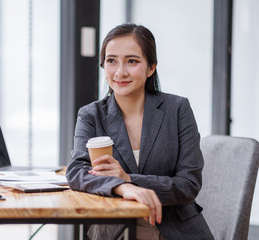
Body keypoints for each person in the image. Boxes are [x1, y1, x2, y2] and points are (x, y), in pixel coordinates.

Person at [66, 23, 214, 240]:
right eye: (111, 61)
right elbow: (77, 172)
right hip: (116, 229)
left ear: (151, 67)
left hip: (175, 229)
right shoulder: (91, 115)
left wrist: (129, 179)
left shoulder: (177, 109)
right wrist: (123, 188)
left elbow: (188, 184)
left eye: (132, 61)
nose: (120, 72)